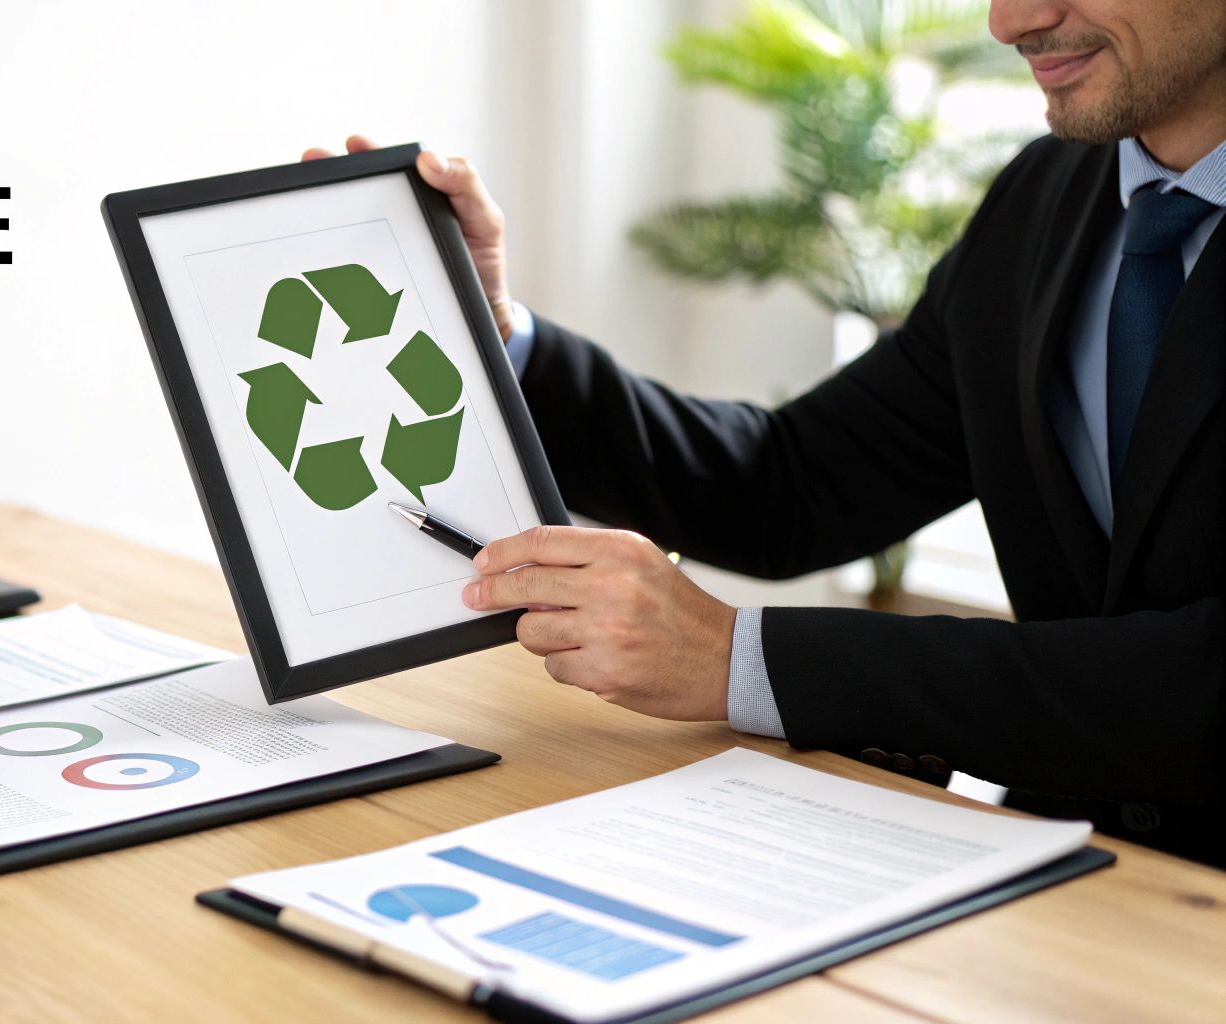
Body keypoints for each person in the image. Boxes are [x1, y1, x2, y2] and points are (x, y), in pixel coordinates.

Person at [307, 0, 1225, 866]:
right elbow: (796, 485)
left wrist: (740, 657)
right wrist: (495, 333)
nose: (1009, 20)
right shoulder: (1050, 197)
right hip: (1080, 891)